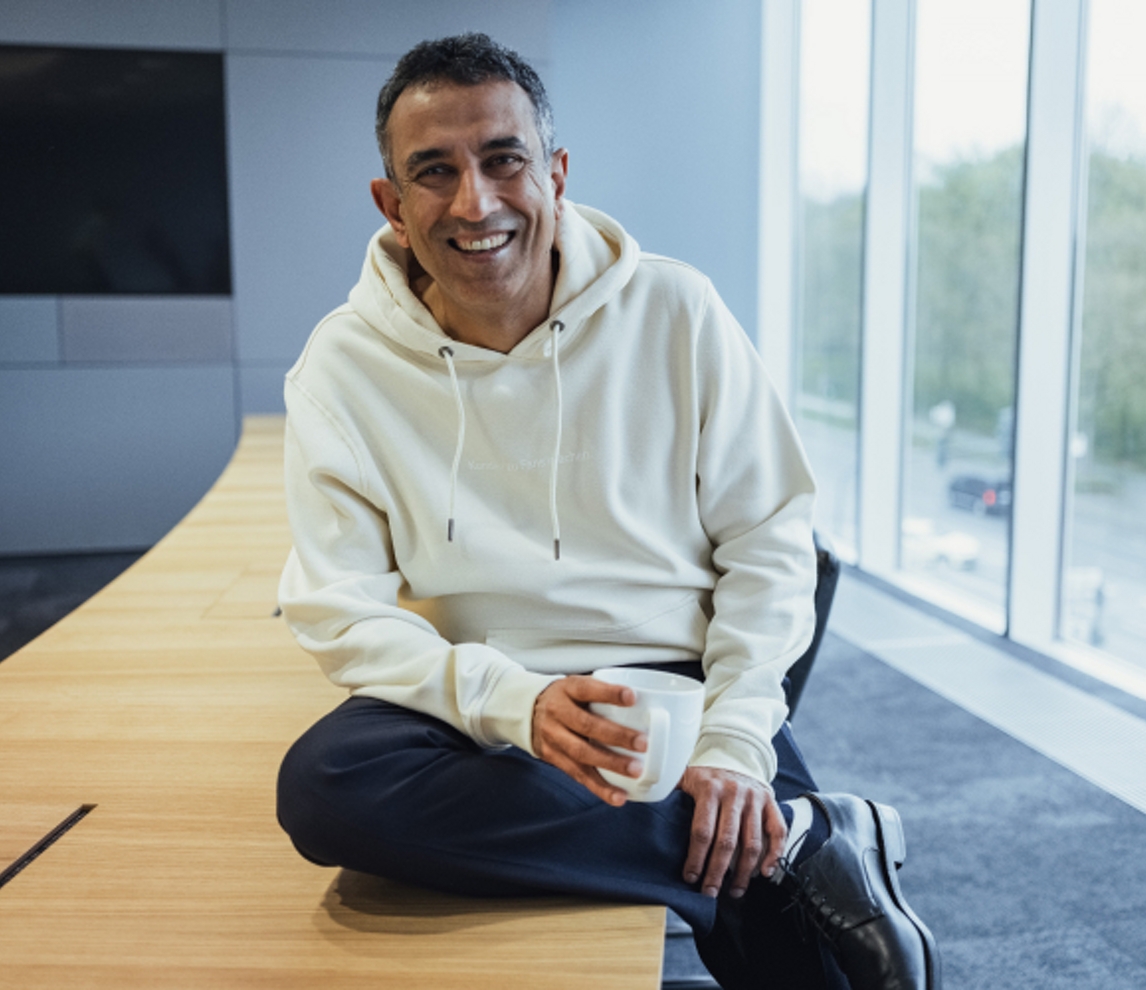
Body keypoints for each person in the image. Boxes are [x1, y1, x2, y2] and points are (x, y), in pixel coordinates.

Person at [275, 32, 939, 990]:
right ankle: (800, 841)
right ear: (390, 203)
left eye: (504, 160)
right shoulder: (342, 366)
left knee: (831, 974)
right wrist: (516, 701)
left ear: (555, 173)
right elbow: (339, 609)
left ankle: (750, 833)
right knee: (328, 786)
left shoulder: (678, 310)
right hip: (489, 699)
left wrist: (735, 743)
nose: (476, 202)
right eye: (434, 171)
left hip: (677, 685)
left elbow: (771, 539)